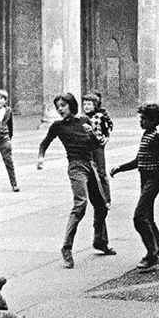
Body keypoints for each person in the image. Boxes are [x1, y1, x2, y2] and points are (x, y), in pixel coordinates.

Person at [37, 92, 113, 267]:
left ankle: (100, 241)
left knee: (101, 205)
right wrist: (41, 157)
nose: (60, 109)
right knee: (80, 204)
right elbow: (44, 143)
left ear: (71, 105)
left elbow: (96, 145)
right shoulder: (57, 126)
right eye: (58, 107)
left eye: (63, 105)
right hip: (76, 166)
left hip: (89, 164)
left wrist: (92, 134)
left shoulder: (84, 120)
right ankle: (66, 247)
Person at [110, 103, 159, 271]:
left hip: (154, 180)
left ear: (154, 121)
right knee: (148, 216)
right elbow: (138, 161)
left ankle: (151, 254)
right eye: (140, 118)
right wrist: (120, 168)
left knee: (139, 217)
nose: (141, 122)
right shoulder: (146, 136)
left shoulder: (156, 137)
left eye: (144, 119)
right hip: (145, 179)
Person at [83, 90, 114, 208]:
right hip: (87, 147)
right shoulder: (82, 117)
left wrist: (106, 138)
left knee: (101, 172)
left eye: (89, 104)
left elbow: (108, 127)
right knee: (88, 173)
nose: (86, 107)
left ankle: (107, 199)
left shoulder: (99, 116)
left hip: (97, 147)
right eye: (84, 104)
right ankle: (95, 197)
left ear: (95, 105)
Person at [0, 89, 19, 192]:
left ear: (5, 101)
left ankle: (14, 183)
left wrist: (9, 137)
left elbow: (10, 125)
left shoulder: (8, 111)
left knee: (9, 161)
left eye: (1, 98)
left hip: (4, 138)